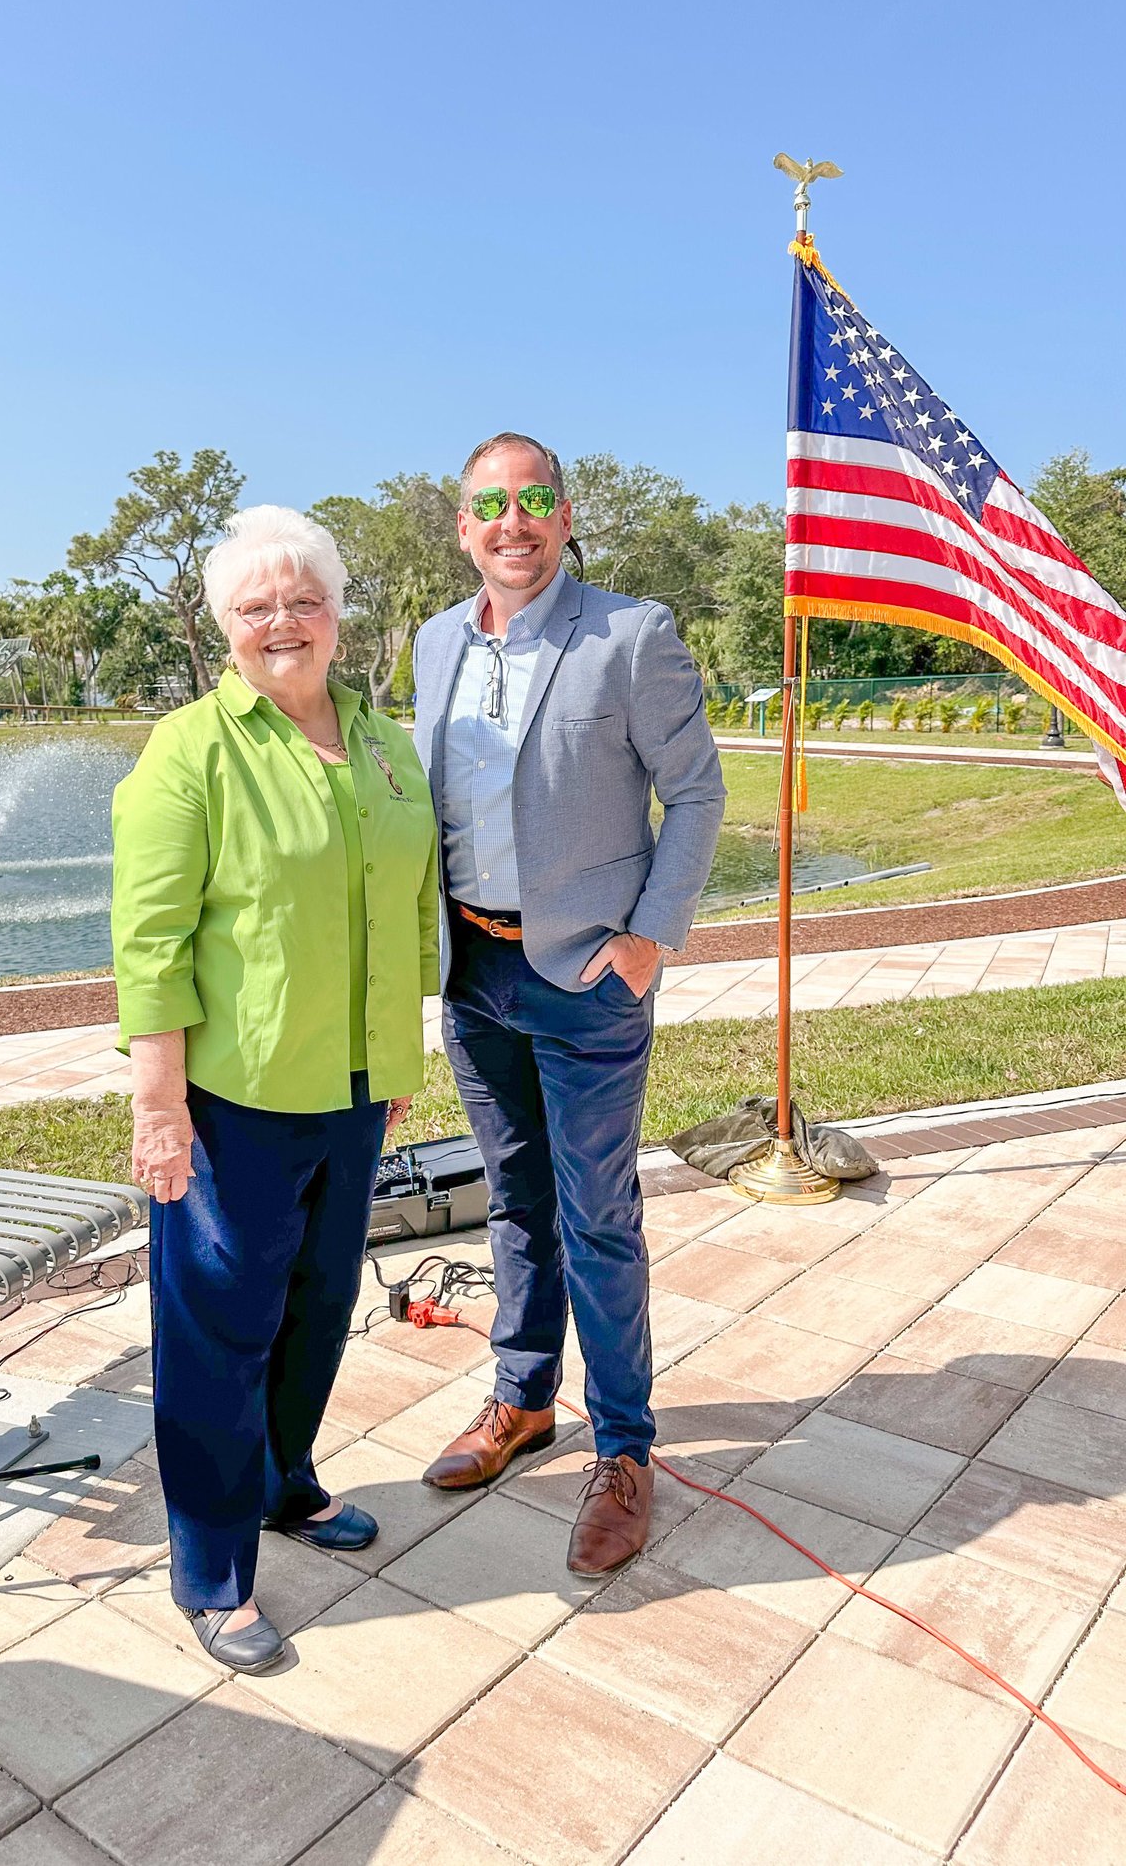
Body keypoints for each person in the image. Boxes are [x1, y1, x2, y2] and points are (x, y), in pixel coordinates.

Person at [112, 505, 438, 1673]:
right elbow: (149, 943)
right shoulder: (188, 751)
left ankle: (284, 1482)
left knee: (314, 1305)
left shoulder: (386, 741)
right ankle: (209, 1570)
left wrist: (392, 1054)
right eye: (256, 608)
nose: (282, 622)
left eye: (303, 599)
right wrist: (158, 1108)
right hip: (230, 1100)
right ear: (224, 627)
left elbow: (408, 904)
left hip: (354, 1086)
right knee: (217, 1329)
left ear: (338, 614)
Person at [412, 432, 725, 1575]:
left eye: (533, 498)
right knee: (510, 1199)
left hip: (588, 978)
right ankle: (521, 1397)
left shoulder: (627, 634)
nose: (513, 521)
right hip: (475, 971)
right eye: (489, 504)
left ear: (562, 511)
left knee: (597, 1212)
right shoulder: (433, 642)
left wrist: (649, 939)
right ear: (462, 525)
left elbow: (695, 790)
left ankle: (625, 1446)